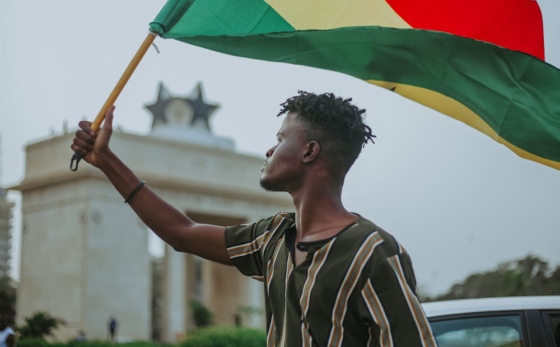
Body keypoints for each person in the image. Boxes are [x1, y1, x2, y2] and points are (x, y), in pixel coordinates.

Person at [71, 91, 438, 346]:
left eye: (280, 139)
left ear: (310, 151)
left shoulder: (373, 252)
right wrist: (106, 161)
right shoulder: (273, 238)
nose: (269, 149)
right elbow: (181, 232)